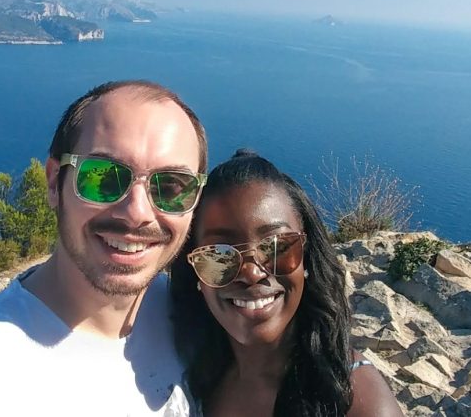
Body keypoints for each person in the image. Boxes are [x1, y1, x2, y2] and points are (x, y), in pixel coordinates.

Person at [0, 80, 208, 416]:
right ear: (53, 183)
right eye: (103, 177)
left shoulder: (194, 315)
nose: (137, 213)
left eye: (172, 186)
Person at [170, 149, 403, 416]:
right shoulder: (187, 373)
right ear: (195, 273)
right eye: (219, 255)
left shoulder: (356, 402)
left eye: (277, 247)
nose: (252, 273)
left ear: (308, 258)